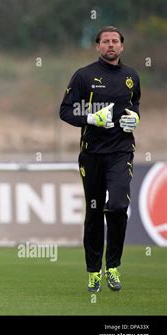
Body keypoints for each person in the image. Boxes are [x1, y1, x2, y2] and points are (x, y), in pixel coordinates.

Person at [60, 26, 141, 292]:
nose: (110, 45)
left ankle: (114, 267)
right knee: (94, 212)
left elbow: (135, 104)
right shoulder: (84, 76)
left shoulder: (131, 76)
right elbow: (65, 111)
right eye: (105, 41)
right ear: (97, 46)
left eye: (115, 41)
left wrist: (135, 118)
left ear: (122, 46)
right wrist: (90, 119)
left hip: (120, 152)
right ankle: (94, 272)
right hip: (92, 154)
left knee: (117, 205)